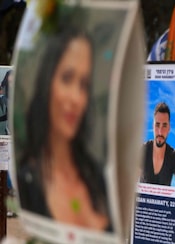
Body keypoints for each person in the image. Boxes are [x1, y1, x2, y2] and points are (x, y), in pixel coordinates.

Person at [17, 27, 111, 231]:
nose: (76, 98)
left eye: (84, 84)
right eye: (67, 78)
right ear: (46, 82)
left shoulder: (96, 176)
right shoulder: (28, 179)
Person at [140, 102, 175, 186]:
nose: (160, 132)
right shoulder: (143, 151)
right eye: (157, 125)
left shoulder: (173, 156)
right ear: (153, 126)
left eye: (164, 126)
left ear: (169, 128)